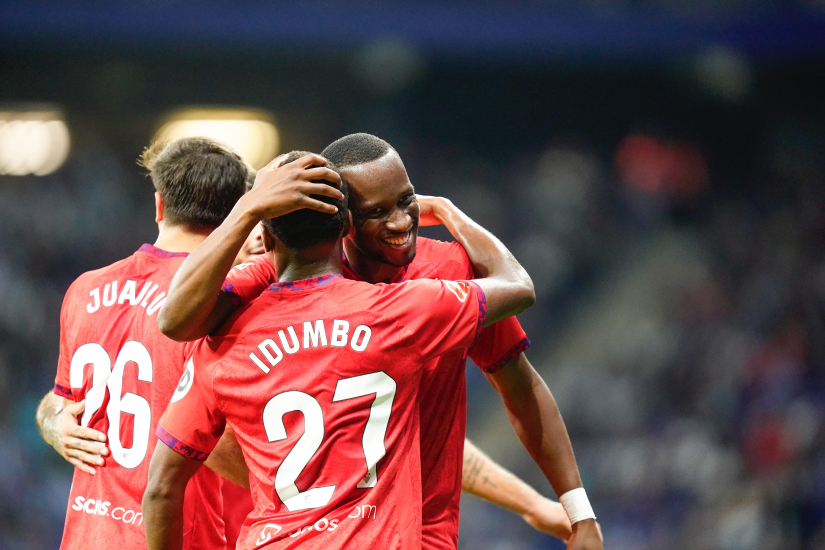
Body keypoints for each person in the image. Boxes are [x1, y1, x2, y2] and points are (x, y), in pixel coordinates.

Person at [158, 135, 601, 549]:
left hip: (420, 532)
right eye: (377, 211)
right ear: (342, 218)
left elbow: (519, 387)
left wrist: (575, 508)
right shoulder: (281, 277)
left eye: (407, 200)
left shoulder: (447, 271)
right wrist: (314, 495)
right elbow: (180, 336)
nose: (400, 221)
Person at [34, 137, 343, 550]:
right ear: (241, 218)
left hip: (86, 537)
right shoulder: (219, 309)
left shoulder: (85, 289)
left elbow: (61, 400)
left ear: (160, 206)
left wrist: (51, 423)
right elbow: (217, 447)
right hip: (181, 537)